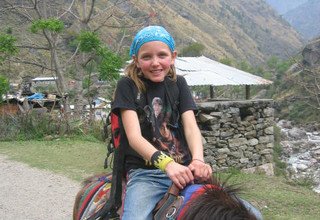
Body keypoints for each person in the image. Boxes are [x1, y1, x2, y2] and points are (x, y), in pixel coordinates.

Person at [111, 25, 212, 220]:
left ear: (173, 57)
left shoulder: (179, 84)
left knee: (248, 213)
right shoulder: (128, 86)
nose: (155, 62)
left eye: (162, 55)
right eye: (147, 57)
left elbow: (191, 127)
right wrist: (167, 164)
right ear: (136, 60)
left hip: (187, 171)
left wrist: (198, 160)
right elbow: (133, 137)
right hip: (147, 174)